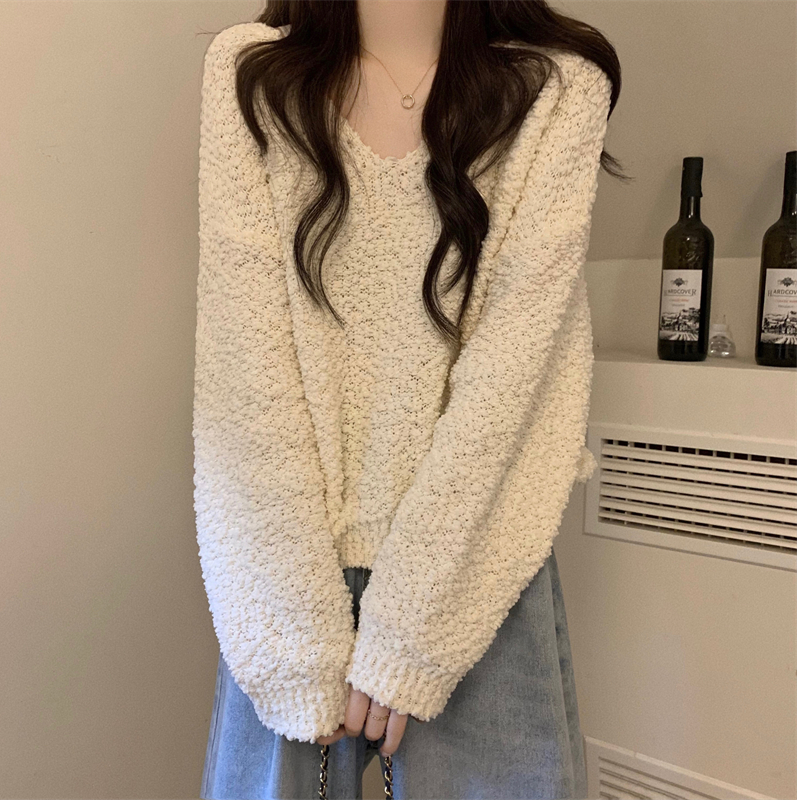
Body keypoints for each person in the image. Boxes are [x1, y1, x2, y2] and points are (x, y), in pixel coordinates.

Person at [192, 2, 625, 798]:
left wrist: (414, 632)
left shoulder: (557, 88)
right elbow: (245, 379)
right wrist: (292, 641)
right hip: (283, 577)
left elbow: (515, 381)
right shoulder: (253, 74)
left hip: (474, 573)